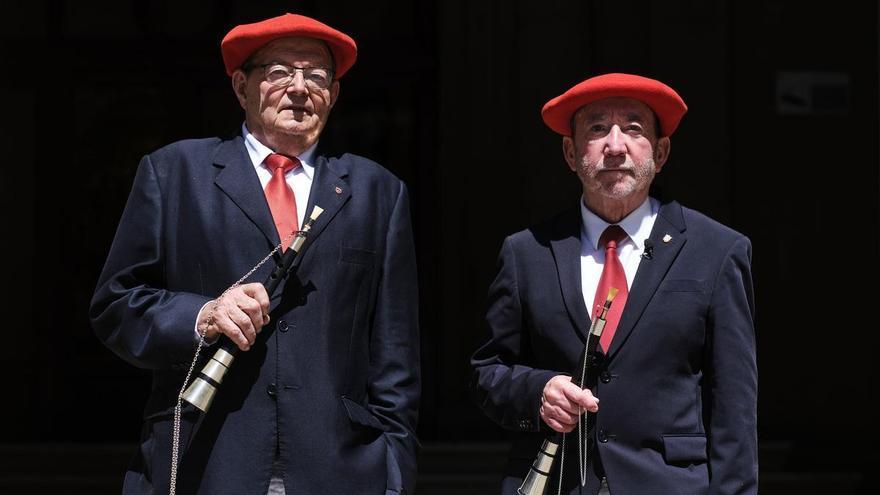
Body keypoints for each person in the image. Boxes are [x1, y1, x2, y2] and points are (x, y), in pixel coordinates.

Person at [90, 13, 420, 495]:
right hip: (209, 457)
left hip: (340, 467)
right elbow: (116, 305)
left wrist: (395, 474)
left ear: (334, 95)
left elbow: (395, 355)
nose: (300, 88)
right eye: (281, 71)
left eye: (317, 76)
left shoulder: (377, 191)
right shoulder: (175, 173)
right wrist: (202, 315)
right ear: (242, 86)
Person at [471, 73, 757, 494]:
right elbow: (488, 373)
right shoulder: (527, 252)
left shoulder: (716, 250)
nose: (615, 146)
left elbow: (735, 405)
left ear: (660, 153)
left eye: (634, 129)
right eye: (598, 129)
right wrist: (538, 392)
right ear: (571, 152)